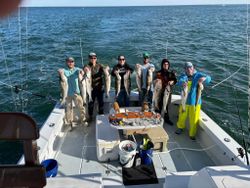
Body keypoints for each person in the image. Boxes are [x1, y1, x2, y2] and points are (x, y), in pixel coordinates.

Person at [175, 62, 211, 140]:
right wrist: (182, 83)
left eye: (190, 67)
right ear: (185, 69)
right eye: (187, 68)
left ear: (193, 67)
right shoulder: (184, 76)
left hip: (196, 103)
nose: (189, 69)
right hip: (185, 102)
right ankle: (180, 127)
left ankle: (192, 134)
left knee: (194, 119)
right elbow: (179, 82)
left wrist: (204, 79)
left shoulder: (198, 75)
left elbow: (209, 78)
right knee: (182, 116)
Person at [58, 57, 86, 131]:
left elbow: (80, 71)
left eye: (72, 61)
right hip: (67, 94)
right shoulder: (64, 70)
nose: (70, 63)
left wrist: (82, 72)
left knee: (81, 107)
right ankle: (70, 123)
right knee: (68, 110)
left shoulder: (77, 69)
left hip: (76, 93)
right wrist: (60, 72)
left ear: (74, 62)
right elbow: (61, 75)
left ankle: (83, 120)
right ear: (66, 63)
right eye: (69, 62)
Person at [155, 59, 177, 125]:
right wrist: (155, 81)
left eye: (167, 64)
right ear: (162, 65)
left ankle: (167, 119)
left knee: (167, 106)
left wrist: (172, 82)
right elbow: (154, 79)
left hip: (168, 92)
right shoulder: (158, 73)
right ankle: (157, 118)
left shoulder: (171, 73)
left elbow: (175, 80)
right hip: (159, 92)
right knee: (158, 106)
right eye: (164, 64)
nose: (166, 65)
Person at [86, 52, 105, 119]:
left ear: (96, 58)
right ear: (89, 59)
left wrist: (107, 68)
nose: (93, 59)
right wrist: (84, 71)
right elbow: (84, 70)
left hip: (100, 88)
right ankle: (90, 116)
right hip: (91, 89)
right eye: (91, 58)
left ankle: (101, 116)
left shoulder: (100, 65)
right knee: (91, 104)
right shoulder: (87, 66)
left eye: (94, 58)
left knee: (101, 103)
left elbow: (105, 69)